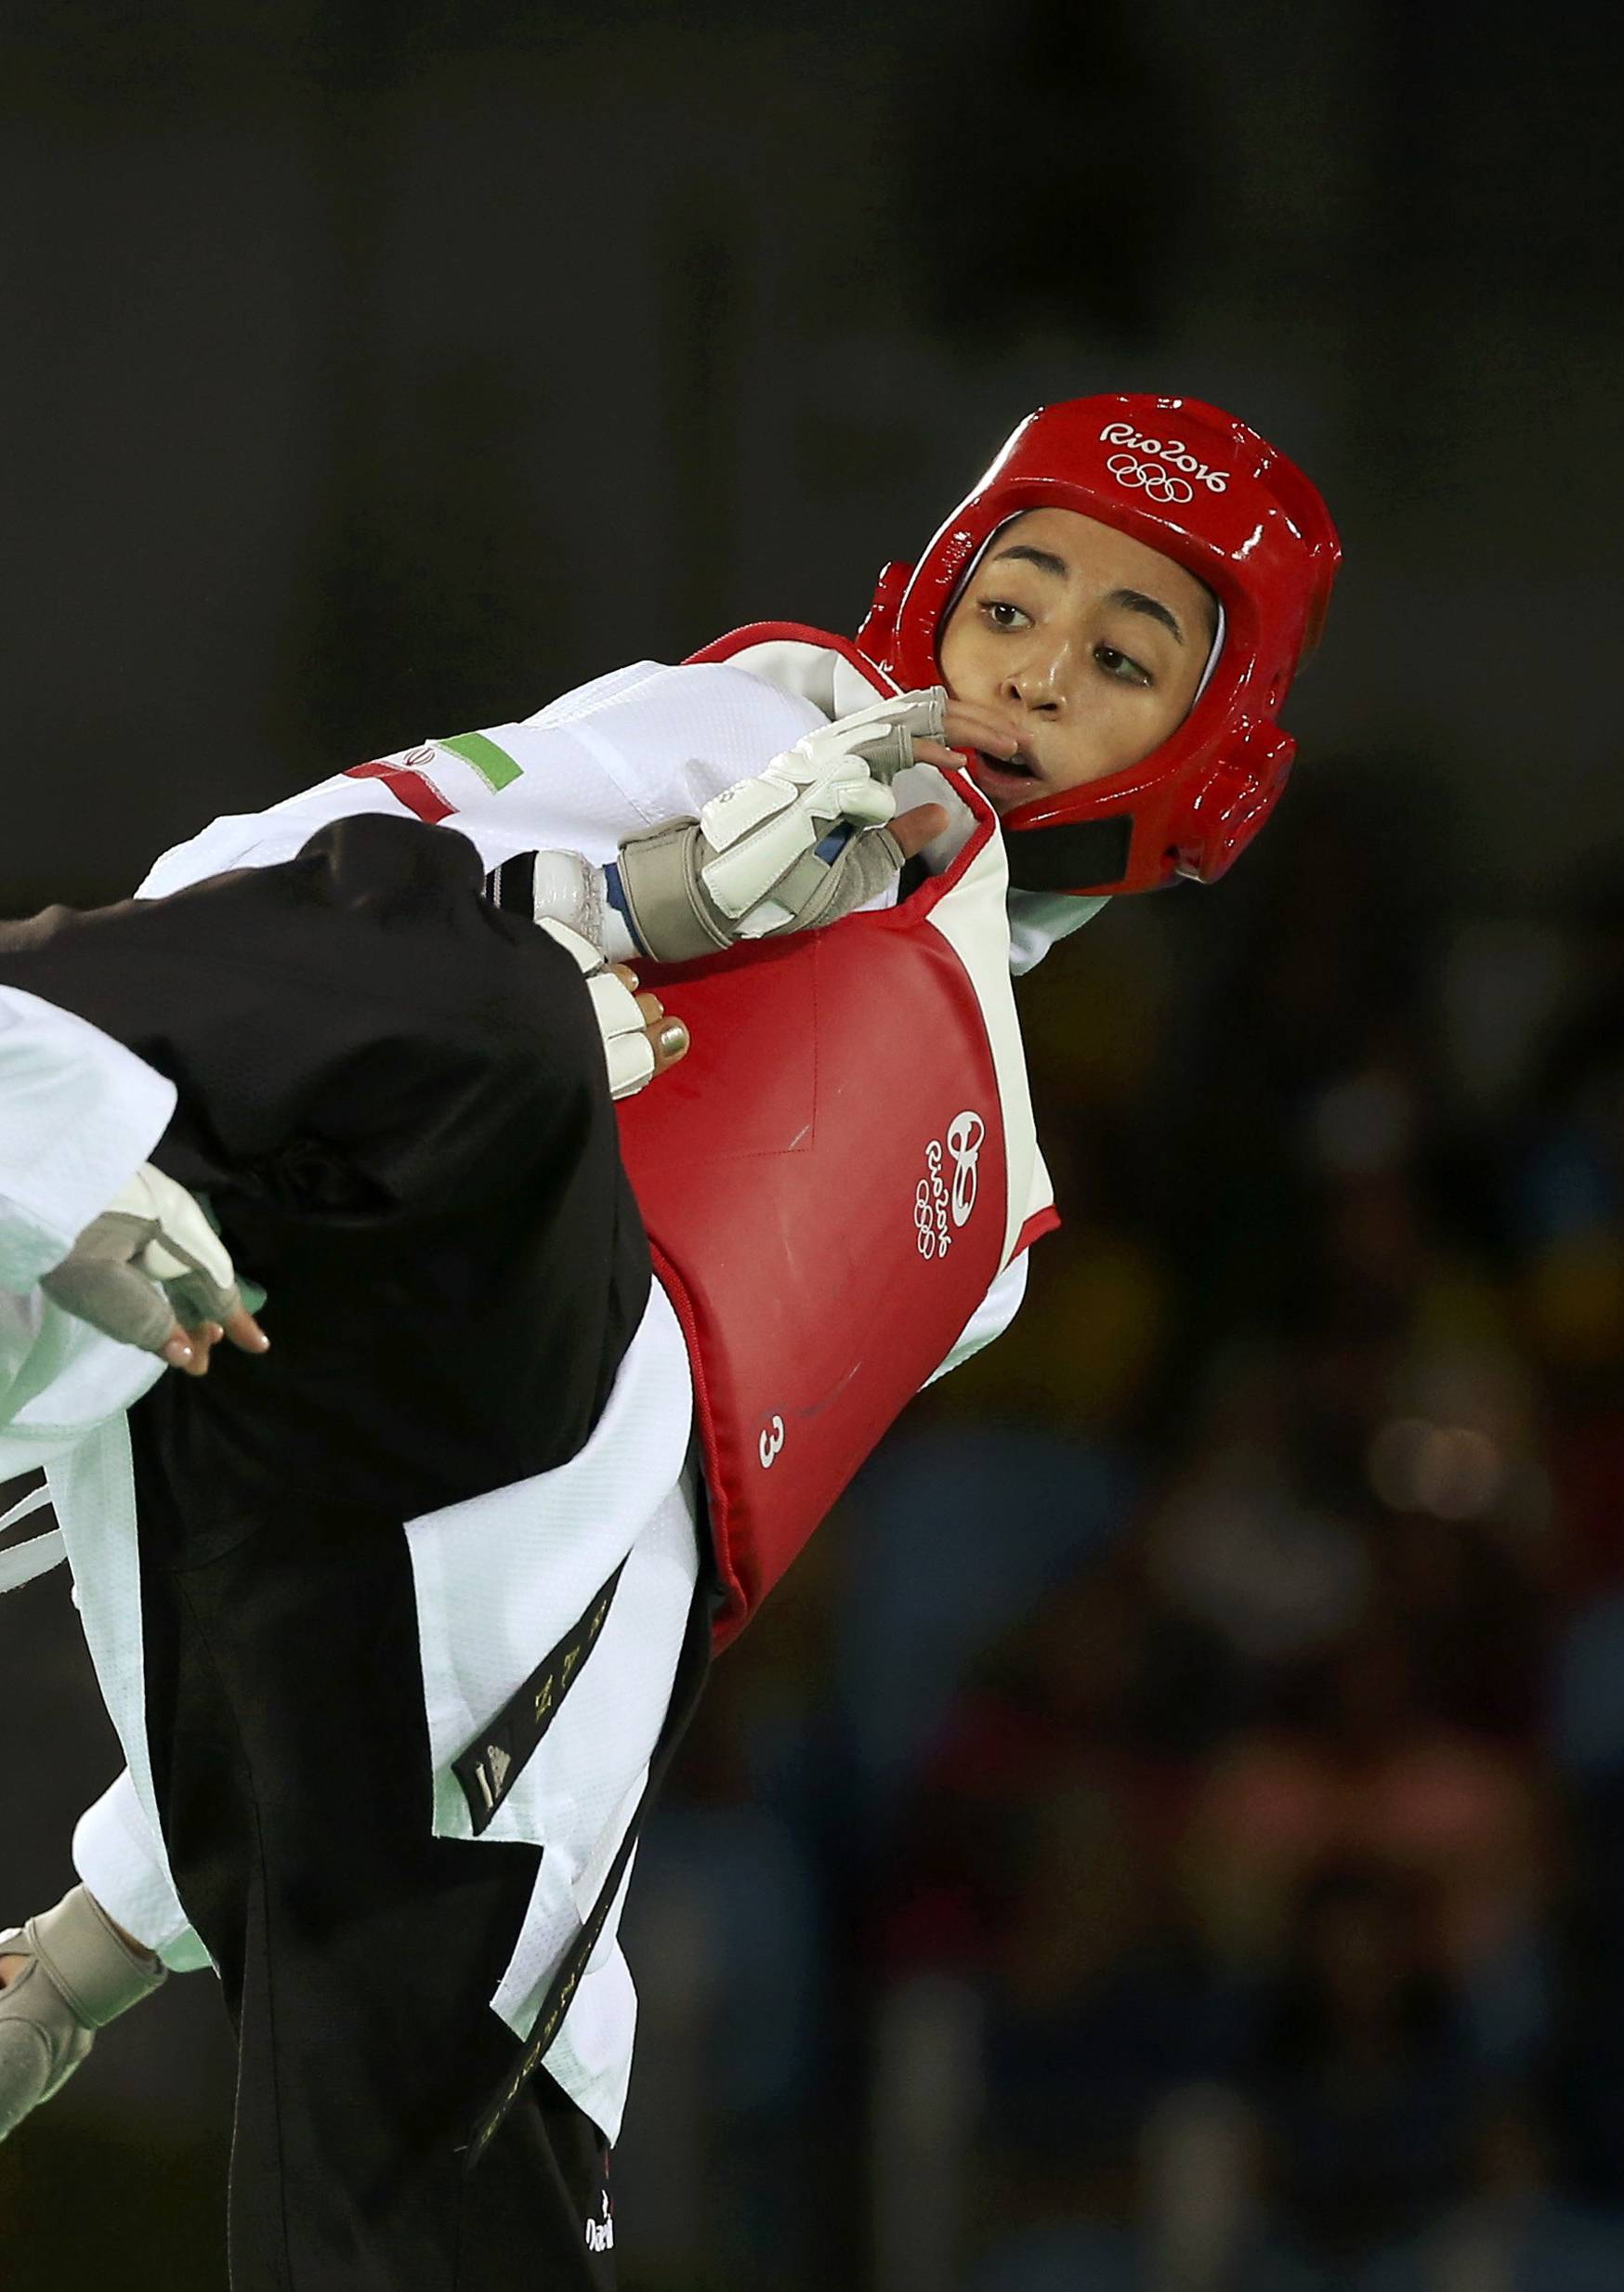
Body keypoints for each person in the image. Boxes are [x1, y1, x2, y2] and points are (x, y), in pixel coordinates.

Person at [0, 394, 1339, 2288]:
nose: (1037, 672)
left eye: (1124, 661)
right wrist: (631, 908)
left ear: (1209, 767)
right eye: (1013, 602)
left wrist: (71, 1966)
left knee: (468, 2129)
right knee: (495, 1012)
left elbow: (635, 1561)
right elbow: (283, 872)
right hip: (263, 1216)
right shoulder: (768, 723)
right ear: (929, 598)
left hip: (448, 1552)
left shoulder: (988, 1224)